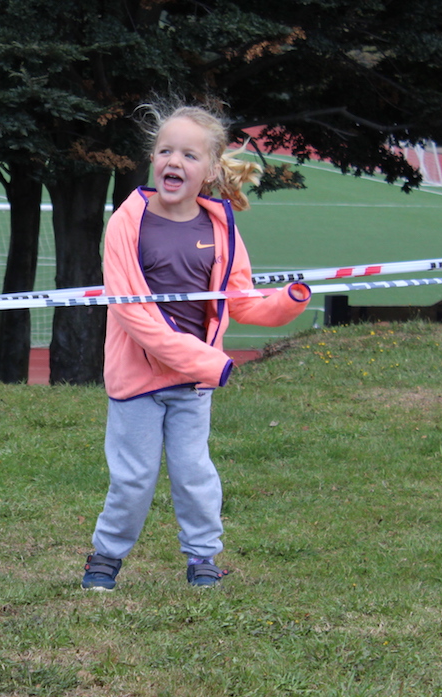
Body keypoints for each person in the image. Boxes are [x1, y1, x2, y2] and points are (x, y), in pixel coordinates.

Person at [80, 102, 310, 592]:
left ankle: (203, 558)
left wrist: (287, 303)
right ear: (152, 158)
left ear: (208, 170)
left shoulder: (220, 226)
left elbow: (240, 301)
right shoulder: (127, 222)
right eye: (165, 151)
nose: (174, 162)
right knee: (134, 478)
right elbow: (133, 315)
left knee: (194, 474)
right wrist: (205, 360)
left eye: (188, 154)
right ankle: (105, 557)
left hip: (193, 385)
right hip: (137, 380)